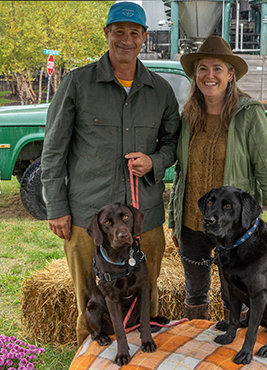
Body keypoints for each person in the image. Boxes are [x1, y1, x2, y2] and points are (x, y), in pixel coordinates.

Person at [41, 2, 181, 346]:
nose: (126, 39)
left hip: (142, 218)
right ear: (107, 33)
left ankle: (145, 359)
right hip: (88, 217)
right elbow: (54, 148)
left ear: (145, 38)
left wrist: (154, 161)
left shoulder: (160, 90)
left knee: (145, 298)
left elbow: (173, 143)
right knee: (91, 302)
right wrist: (57, 206)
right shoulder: (77, 83)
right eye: (119, 31)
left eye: (134, 33)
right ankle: (90, 360)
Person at [168, 36, 267, 322]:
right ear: (195, 75)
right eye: (203, 68)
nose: (210, 75)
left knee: (235, 292)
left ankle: (231, 351)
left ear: (231, 75)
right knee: (195, 292)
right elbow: (181, 174)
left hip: (234, 227)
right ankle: (195, 352)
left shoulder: (249, 114)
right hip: (194, 222)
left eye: (218, 68)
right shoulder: (188, 116)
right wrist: (174, 221)